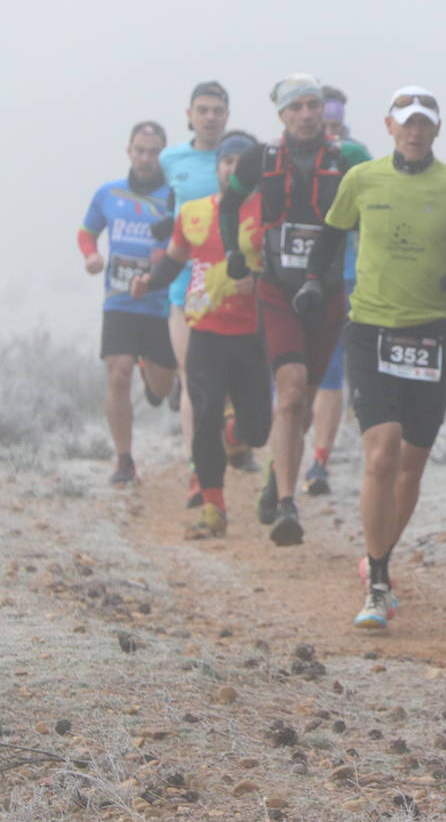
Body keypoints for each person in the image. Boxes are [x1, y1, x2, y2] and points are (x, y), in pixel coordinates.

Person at [299, 85, 446, 628]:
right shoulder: (362, 179)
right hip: (370, 330)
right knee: (380, 453)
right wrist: (311, 285)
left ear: (437, 129)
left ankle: (378, 558)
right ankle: (377, 584)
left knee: (410, 468)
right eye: (406, 121)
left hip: (430, 337)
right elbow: (329, 238)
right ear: (389, 126)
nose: (415, 130)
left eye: (425, 122)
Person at [218, 73, 369, 545]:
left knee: (302, 404)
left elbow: (379, 208)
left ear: (323, 110)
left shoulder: (350, 158)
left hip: (328, 291)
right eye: (296, 107)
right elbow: (229, 204)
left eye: (312, 105)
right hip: (278, 289)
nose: (306, 115)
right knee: (289, 392)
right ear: (281, 115)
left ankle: (274, 477)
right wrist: (233, 254)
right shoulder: (260, 158)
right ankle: (287, 504)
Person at [160, 81, 255, 507]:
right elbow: (169, 206)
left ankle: (236, 437)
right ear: (189, 114)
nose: (210, 116)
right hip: (187, 287)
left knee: (233, 386)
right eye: (203, 109)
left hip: (238, 287)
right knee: (192, 380)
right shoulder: (171, 159)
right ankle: (197, 473)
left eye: (218, 109)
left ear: (227, 115)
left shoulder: (243, 158)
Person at [78, 121, 177, 485]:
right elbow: (87, 231)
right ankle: (124, 460)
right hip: (119, 302)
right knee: (117, 374)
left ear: (163, 154)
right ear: (129, 151)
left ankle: (156, 381)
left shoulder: (173, 197)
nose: (146, 158)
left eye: (153, 152)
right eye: (140, 150)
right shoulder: (109, 193)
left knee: (162, 389)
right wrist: (90, 256)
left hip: (160, 304)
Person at [303, 85, 370, 496]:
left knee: (332, 369)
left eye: (334, 123)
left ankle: (319, 461)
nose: (328, 131)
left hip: (346, 274)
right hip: (295, 277)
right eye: (321, 122)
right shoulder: (288, 154)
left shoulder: (354, 156)